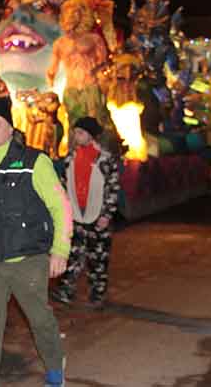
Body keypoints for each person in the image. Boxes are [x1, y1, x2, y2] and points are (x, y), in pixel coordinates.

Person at [0, 100, 73, 387]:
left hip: (28, 260)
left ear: (10, 128)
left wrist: (60, 250)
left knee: (40, 320)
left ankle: (54, 367)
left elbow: (60, 206)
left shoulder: (33, 162)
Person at [51, 116, 120, 309]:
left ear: (90, 135)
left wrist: (107, 214)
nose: (76, 136)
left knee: (98, 258)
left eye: (80, 133)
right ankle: (66, 290)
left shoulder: (105, 160)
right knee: (73, 255)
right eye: (75, 132)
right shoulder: (70, 159)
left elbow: (113, 189)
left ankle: (98, 294)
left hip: (98, 218)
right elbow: (64, 186)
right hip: (77, 217)